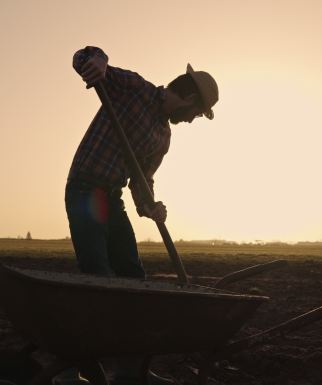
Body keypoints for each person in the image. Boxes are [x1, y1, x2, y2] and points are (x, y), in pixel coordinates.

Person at [58, 46, 218, 385]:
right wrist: (96, 61)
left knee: (132, 276)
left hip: (111, 198)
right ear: (188, 98)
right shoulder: (135, 89)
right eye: (196, 114)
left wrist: (151, 207)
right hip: (86, 190)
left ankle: (131, 370)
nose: (191, 121)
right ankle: (80, 367)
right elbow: (82, 56)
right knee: (98, 278)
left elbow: (142, 181)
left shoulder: (164, 136)